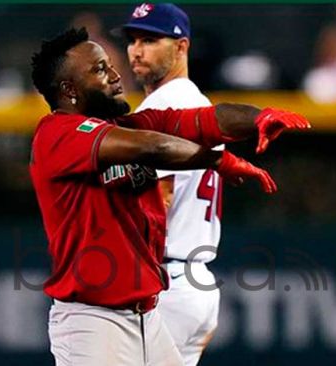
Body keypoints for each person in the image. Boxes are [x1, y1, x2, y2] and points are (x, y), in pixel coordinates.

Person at [29, 27, 309, 366]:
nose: (116, 74)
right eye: (100, 69)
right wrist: (219, 160)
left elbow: (206, 120)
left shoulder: (129, 124)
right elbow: (155, 147)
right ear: (70, 89)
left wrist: (258, 117)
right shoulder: (57, 134)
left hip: (149, 317)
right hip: (93, 322)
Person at [120, 3, 224, 365]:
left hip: (167, 280)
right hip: (198, 283)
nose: (136, 50)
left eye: (150, 40)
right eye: (133, 40)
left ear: (182, 47)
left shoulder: (162, 107)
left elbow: (158, 200)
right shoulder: (202, 107)